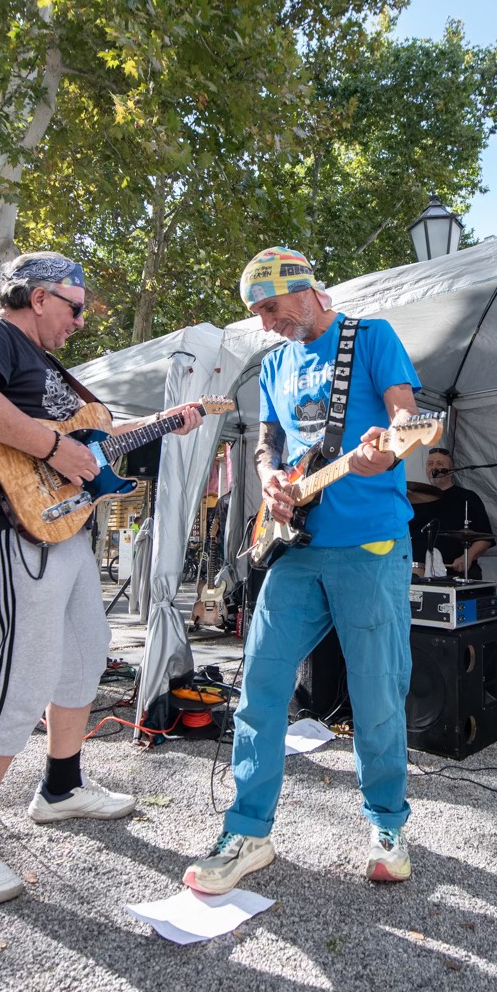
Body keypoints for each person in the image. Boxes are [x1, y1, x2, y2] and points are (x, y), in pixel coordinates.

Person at [0, 250, 204, 908]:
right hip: (8, 528)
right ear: (40, 295)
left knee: (81, 658)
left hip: (61, 529)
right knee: (24, 676)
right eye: (75, 307)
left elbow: (92, 443)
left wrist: (168, 421)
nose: (79, 321)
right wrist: (51, 448)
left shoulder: (48, 368)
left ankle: (62, 785)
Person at [183, 246, 420, 895]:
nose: (265, 322)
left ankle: (386, 824)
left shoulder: (370, 338)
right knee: (260, 687)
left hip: (369, 544)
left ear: (307, 289)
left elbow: (412, 417)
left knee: (374, 694)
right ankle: (248, 830)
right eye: (256, 312)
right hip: (294, 547)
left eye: (269, 306)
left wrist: (387, 446)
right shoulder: (275, 363)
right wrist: (268, 483)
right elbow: (269, 443)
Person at [409, 446, 495, 578]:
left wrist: (468, 557)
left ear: (452, 470)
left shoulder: (467, 498)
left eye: (440, 464)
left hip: (453, 571)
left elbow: (485, 538)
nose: (434, 467)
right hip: (417, 571)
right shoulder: (414, 499)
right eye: (430, 464)